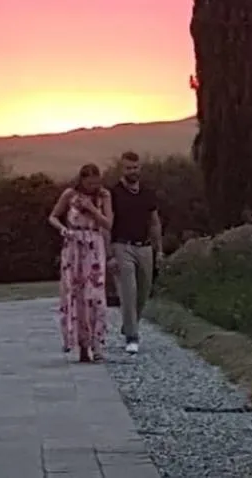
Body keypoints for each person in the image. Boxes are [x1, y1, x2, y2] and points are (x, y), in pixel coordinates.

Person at [49, 163, 113, 362]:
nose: (93, 186)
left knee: (95, 295)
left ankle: (97, 343)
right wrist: (63, 229)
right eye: (89, 183)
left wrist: (92, 209)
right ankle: (82, 345)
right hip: (74, 245)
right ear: (82, 180)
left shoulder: (104, 196)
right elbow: (53, 217)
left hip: (94, 245)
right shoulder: (70, 195)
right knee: (75, 294)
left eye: (96, 182)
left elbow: (108, 223)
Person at [109, 151, 163, 355]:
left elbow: (155, 222)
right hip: (122, 246)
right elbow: (107, 223)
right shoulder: (113, 194)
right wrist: (109, 253)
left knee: (143, 292)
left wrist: (159, 250)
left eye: (135, 167)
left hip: (145, 247)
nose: (132, 171)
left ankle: (129, 324)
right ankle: (132, 336)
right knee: (129, 292)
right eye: (128, 168)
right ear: (121, 169)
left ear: (140, 168)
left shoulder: (147, 193)